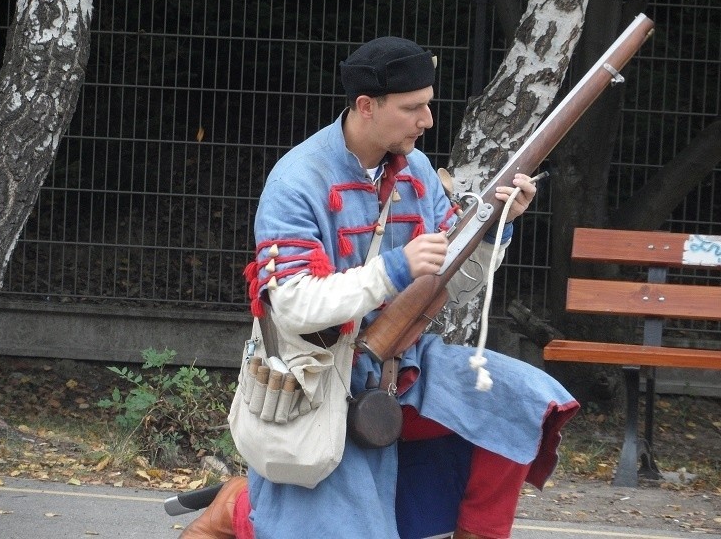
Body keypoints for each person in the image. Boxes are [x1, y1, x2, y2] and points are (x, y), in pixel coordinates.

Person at [182, 37, 579, 539]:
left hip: (405, 365)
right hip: (321, 376)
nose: (427, 120)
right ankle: (240, 509)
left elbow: (448, 284)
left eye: (428, 104)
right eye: (413, 108)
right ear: (366, 107)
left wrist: (496, 227)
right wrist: (392, 270)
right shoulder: (297, 180)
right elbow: (295, 306)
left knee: (525, 403)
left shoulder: (416, 172)